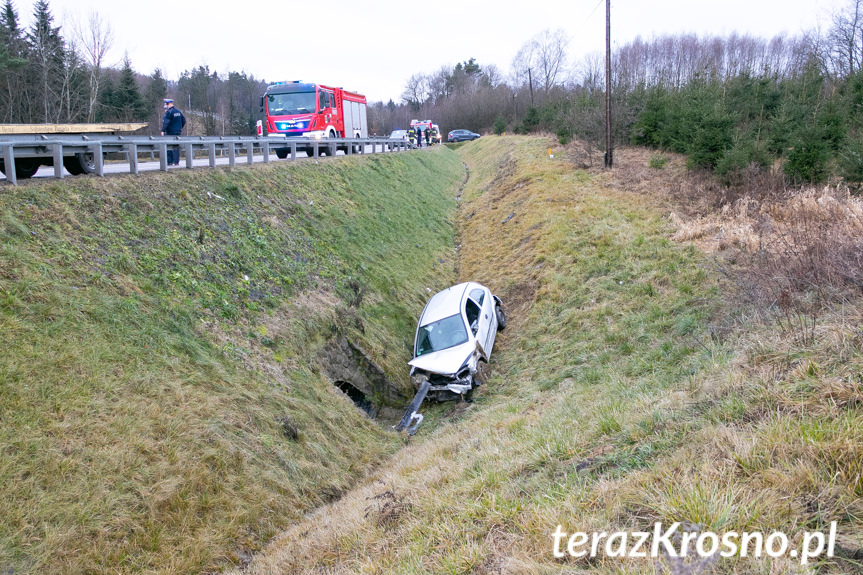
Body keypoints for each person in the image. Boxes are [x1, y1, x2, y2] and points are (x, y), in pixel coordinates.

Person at [160, 98, 186, 165]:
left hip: (170, 132)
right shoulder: (178, 111)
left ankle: (169, 162)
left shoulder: (169, 112)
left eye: (166, 105)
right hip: (178, 132)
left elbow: (166, 122)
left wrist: (163, 130)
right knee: (176, 147)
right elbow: (184, 120)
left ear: (168, 104)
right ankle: (176, 162)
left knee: (169, 147)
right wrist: (179, 127)